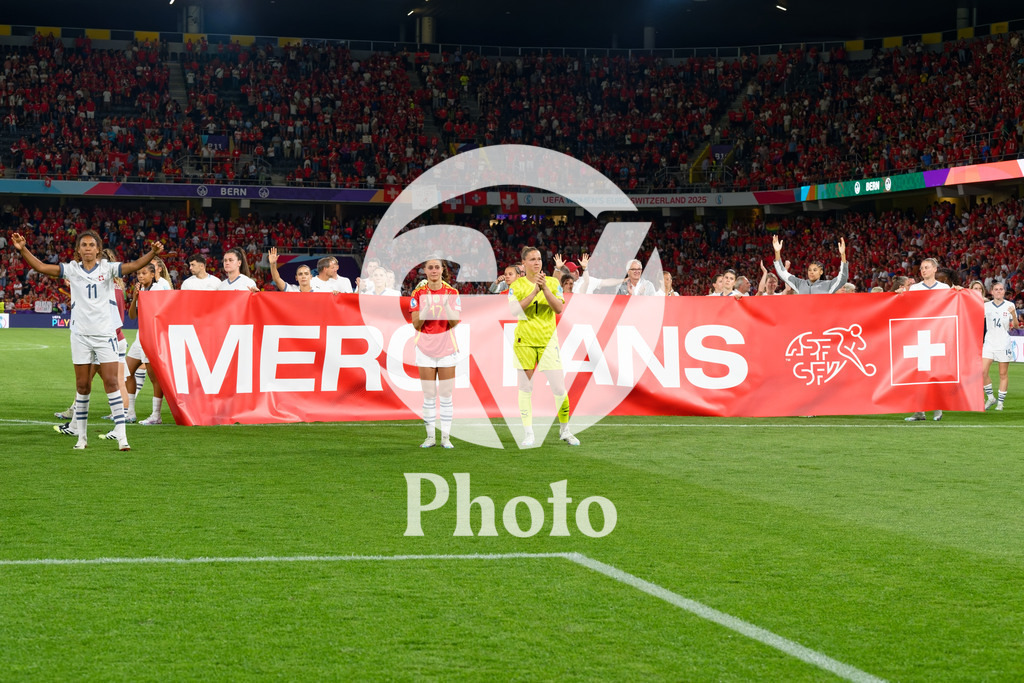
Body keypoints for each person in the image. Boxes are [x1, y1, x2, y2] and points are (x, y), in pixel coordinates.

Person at [11, 229, 162, 450]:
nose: (88, 249)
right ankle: (81, 438)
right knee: (82, 386)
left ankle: (122, 437)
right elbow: (41, 267)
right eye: (84, 245)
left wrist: (151, 252)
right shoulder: (71, 269)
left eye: (92, 245)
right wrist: (23, 249)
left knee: (111, 383)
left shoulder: (108, 269)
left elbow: (132, 266)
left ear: (98, 249)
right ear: (78, 250)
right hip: (80, 336)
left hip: (105, 335)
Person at [508, 246, 579, 447]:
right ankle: (529, 433)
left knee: (559, 389)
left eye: (539, 259)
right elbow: (514, 311)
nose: (537, 262)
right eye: (532, 259)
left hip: (548, 342)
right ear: (523, 263)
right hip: (525, 342)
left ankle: (565, 430)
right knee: (525, 388)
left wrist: (544, 288)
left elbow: (558, 308)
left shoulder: (553, 282)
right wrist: (534, 292)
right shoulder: (518, 285)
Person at [410, 258, 461, 448]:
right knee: (429, 394)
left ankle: (446, 438)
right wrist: (427, 307)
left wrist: (446, 305)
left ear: (442, 270)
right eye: (430, 267)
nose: (433, 270)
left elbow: (455, 321)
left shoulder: (452, 292)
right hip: (425, 348)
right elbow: (416, 324)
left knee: (446, 395)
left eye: (436, 267)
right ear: (424, 270)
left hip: (447, 348)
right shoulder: (419, 293)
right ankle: (430, 437)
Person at [905, 257, 951, 422]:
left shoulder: (944, 288)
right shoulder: (915, 288)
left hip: (938, 335)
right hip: (919, 334)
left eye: (926, 267)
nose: (923, 270)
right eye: (922, 268)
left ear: (934, 269)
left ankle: (937, 409)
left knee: (935, 374)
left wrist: (961, 292)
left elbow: (952, 307)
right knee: (918, 374)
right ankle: (919, 411)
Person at [124, 264, 167, 425]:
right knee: (127, 371)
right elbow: (132, 316)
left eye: (144, 273)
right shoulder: (142, 291)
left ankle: (156, 415)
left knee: (153, 377)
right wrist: (136, 297)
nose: (140, 276)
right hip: (139, 336)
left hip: (152, 337)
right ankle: (131, 412)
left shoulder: (158, 290)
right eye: (138, 273)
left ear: (152, 274)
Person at [981, 281, 1018, 411]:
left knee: (1003, 373)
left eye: (1001, 289)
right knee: (982, 371)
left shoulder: (1010, 305)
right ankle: (991, 397)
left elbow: (1016, 326)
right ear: (992, 292)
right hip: (989, 343)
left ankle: (1000, 403)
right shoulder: (986, 306)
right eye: (996, 289)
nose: (998, 291)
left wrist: (1013, 314)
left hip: (1004, 343)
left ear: (1004, 291)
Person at [772, 234, 849, 294]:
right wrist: (777, 252)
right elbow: (783, 274)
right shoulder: (800, 284)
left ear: (821, 272)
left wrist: (843, 255)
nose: (811, 272)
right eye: (809, 270)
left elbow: (843, 278)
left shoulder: (828, 285)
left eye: (815, 270)